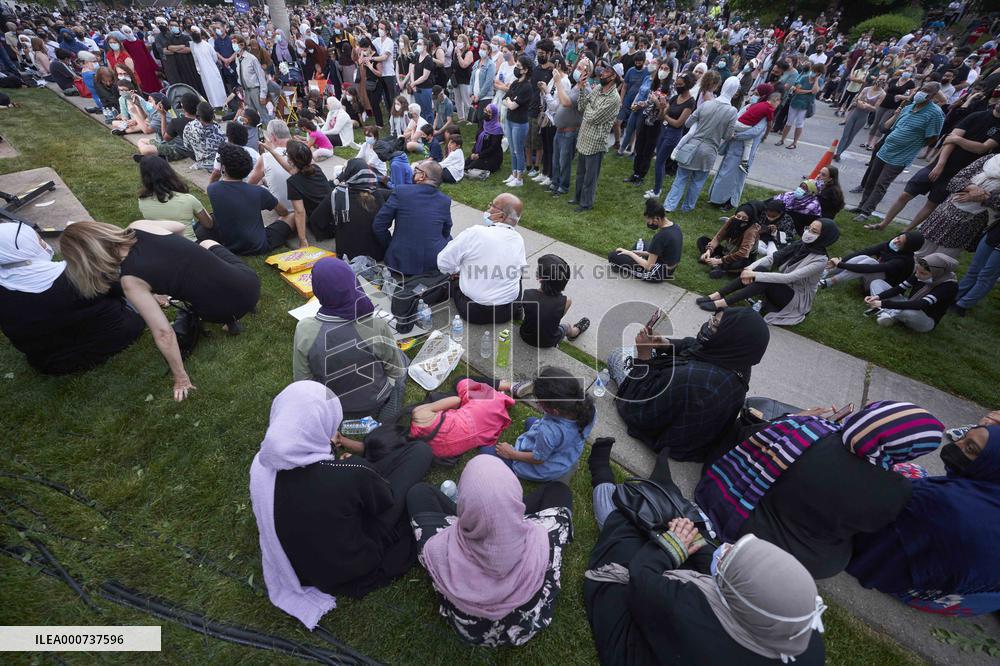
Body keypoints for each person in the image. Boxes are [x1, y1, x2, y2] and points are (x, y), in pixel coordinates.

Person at [584, 454, 827, 663]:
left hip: (637, 638)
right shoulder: (801, 635)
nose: (727, 548)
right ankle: (662, 494)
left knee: (625, 529)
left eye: (728, 558)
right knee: (684, 526)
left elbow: (641, 578)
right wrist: (691, 538)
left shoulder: (688, 612)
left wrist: (672, 546)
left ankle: (603, 477)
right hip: (680, 640)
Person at [250, 381, 433, 624]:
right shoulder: (348, 473)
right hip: (354, 562)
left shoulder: (261, 465)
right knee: (420, 454)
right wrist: (361, 468)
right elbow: (383, 502)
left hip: (303, 564)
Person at [696, 402, 944, 579]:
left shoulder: (807, 429)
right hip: (798, 554)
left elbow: (753, 443)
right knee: (838, 556)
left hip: (743, 511)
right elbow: (860, 528)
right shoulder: (895, 491)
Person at [60, 220, 260, 401]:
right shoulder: (139, 226)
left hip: (216, 312)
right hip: (249, 287)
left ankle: (229, 319)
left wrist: (181, 378)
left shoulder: (130, 281)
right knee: (205, 244)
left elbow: (164, 333)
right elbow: (180, 227)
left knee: (201, 287)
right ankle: (233, 318)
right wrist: (182, 256)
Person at [405, 455, 573, 646]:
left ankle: (485, 510)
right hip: (525, 624)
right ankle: (500, 508)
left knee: (419, 492)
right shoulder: (547, 539)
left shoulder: (436, 550)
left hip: (469, 630)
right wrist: (503, 508)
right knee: (558, 490)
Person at [849, 424, 1000, 616]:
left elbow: (869, 537)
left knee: (904, 473)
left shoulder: (935, 500)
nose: (957, 445)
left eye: (970, 448)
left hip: (913, 587)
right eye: (962, 438)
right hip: (968, 599)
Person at [609, 308, 770, 464]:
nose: (708, 326)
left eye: (714, 326)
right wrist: (665, 344)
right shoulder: (736, 359)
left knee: (618, 354)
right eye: (712, 320)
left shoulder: (692, 379)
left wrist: (644, 356)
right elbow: (694, 346)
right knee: (641, 353)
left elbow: (638, 406)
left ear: (729, 337)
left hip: (674, 440)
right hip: (700, 430)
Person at [0, 223, 144, 375]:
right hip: (116, 336)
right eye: (38, 241)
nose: (44, 243)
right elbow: (121, 290)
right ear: (24, 248)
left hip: (52, 364)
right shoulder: (78, 272)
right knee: (126, 284)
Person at [293, 258, 407, 421]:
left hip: (332, 405)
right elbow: (396, 370)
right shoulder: (376, 325)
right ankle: (391, 406)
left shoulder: (305, 329)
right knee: (402, 359)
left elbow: (303, 381)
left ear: (318, 290)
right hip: (376, 400)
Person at [869, 103, 1000, 231]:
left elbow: (981, 149)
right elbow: (949, 141)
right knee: (906, 194)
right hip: (937, 165)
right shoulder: (977, 116)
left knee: (932, 204)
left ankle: (906, 231)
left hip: (959, 174)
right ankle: (884, 224)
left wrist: (958, 140)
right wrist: (940, 164)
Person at [700, 218, 841, 326]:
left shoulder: (820, 260)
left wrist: (754, 274)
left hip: (795, 299)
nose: (808, 233)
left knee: (765, 279)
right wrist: (749, 268)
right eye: (809, 228)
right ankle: (717, 295)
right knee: (760, 269)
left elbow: (789, 278)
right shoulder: (801, 245)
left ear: (825, 237)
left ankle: (723, 303)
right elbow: (772, 257)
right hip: (784, 288)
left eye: (814, 231)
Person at [852, 83, 945, 223]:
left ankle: (866, 212)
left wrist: (913, 144)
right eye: (922, 89)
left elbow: (932, 137)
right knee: (871, 180)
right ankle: (861, 206)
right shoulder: (908, 107)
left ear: (933, 95)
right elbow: (893, 128)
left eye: (927, 91)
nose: (922, 92)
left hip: (901, 156)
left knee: (881, 183)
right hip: (885, 150)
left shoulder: (935, 113)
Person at [487, 367, 596, 482]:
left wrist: (511, 453)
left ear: (555, 411)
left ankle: (517, 467)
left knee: (487, 451)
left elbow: (538, 459)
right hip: (565, 454)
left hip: (543, 467)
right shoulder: (588, 408)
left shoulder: (549, 431)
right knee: (531, 421)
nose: (537, 403)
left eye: (538, 402)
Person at [437, 193, 526, 324]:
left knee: (452, 280)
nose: (488, 208)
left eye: (492, 205)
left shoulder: (475, 233)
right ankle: (518, 310)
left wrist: (457, 272)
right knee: (518, 274)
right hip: (507, 311)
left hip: (473, 311)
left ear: (501, 216)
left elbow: (443, 263)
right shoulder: (518, 239)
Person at [665, 76, 738, 214]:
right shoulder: (732, 111)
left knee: (680, 179)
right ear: (734, 92)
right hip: (709, 151)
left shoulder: (706, 104)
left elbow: (688, 123)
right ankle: (687, 207)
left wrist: (699, 124)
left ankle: (669, 205)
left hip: (692, 146)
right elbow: (727, 136)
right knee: (697, 182)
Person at [202, 143, 293, 254]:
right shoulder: (258, 192)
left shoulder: (212, 189)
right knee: (292, 215)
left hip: (229, 245)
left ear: (224, 168)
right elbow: (283, 212)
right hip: (259, 245)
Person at [907, 154, 1000, 257]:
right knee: (919, 251)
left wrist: (983, 197)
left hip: (969, 224)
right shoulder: (990, 159)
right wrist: (972, 188)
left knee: (941, 260)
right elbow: (956, 180)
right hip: (945, 214)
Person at [373, 159, 453, 277]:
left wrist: (391, 245)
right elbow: (446, 230)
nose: (413, 173)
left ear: (422, 176)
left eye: (416, 170)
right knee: (449, 238)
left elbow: (379, 225)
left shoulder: (401, 191)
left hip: (400, 263)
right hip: (433, 264)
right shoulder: (445, 200)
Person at [707, 88, 780, 209]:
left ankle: (728, 201)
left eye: (757, 94)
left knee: (735, 177)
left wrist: (735, 135)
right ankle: (716, 197)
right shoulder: (750, 107)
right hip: (734, 148)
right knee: (724, 173)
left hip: (743, 153)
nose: (753, 95)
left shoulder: (763, 114)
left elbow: (754, 132)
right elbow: (736, 120)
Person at [409, 379, 516, 461]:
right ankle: (504, 386)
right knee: (460, 381)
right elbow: (456, 400)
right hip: (487, 404)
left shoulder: (433, 452)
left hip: (491, 426)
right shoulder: (419, 414)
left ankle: (500, 392)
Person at [308, 158, 386, 260]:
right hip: (376, 253)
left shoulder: (337, 195)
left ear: (349, 173)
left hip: (347, 255)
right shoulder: (377, 194)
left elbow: (316, 220)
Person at [571, 60, 621, 212]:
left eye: (606, 72)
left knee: (590, 177)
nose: (602, 73)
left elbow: (594, 117)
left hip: (596, 142)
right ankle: (578, 197)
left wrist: (590, 109)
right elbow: (582, 106)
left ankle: (586, 204)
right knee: (580, 173)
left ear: (613, 77)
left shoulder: (614, 99)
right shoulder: (598, 88)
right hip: (585, 136)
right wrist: (581, 88)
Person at [865, 254, 959, 332]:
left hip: (924, 317)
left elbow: (921, 304)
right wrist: (878, 297)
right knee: (877, 283)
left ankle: (885, 312)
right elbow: (899, 289)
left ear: (937, 273)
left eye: (923, 273)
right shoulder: (920, 271)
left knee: (909, 312)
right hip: (910, 302)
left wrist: (883, 303)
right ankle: (887, 314)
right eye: (917, 270)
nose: (917, 274)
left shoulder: (949, 286)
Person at [518, 254, 590, 347]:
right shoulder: (566, 301)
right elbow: (554, 319)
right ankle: (575, 332)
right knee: (567, 326)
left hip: (525, 336)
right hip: (549, 341)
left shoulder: (528, 294)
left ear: (539, 278)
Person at [271, 140, 332, 249]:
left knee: (288, 216)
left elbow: (299, 212)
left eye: (286, 154)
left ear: (291, 160)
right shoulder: (315, 169)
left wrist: (302, 240)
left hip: (322, 226)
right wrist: (271, 150)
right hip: (334, 218)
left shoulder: (293, 182)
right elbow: (289, 168)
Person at [136, 156, 212, 241]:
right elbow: (208, 224)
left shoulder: (142, 201)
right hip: (190, 246)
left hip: (161, 245)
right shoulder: (188, 199)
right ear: (168, 172)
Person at [646, 72, 696, 200]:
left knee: (659, 161)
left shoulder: (690, 102)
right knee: (659, 161)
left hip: (673, 135)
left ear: (687, 85)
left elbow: (679, 123)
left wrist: (665, 116)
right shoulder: (674, 98)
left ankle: (657, 191)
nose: (677, 86)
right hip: (664, 131)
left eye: (680, 84)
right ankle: (657, 188)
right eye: (676, 84)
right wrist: (662, 107)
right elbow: (660, 116)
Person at [608, 198, 683, 281]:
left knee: (614, 255)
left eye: (648, 220)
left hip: (657, 273)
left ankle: (623, 267)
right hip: (668, 268)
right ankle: (632, 260)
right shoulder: (675, 227)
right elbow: (665, 252)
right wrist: (641, 253)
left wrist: (630, 253)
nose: (648, 222)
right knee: (641, 242)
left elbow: (649, 266)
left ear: (657, 218)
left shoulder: (660, 236)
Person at [822, 231, 925, 291]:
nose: (896, 241)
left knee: (870, 262)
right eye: (898, 237)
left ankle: (828, 282)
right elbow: (866, 251)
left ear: (907, 248)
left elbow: (871, 268)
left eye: (900, 242)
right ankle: (824, 273)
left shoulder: (903, 261)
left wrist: (841, 264)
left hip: (881, 288)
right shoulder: (890, 245)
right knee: (863, 257)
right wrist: (840, 262)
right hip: (873, 276)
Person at [547, 60, 587, 196]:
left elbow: (565, 102)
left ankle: (563, 187)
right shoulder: (576, 86)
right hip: (560, 130)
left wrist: (557, 81)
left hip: (569, 132)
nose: (577, 69)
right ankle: (555, 183)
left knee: (564, 161)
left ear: (586, 72)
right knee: (556, 159)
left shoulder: (584, 89)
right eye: (578, 66)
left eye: (580, 68)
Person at [696, 203, 761, 279]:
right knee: (702, 240)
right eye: (738, 216)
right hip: (727, 252)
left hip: (742, 258)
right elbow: (718, 237)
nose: (739, 219)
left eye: (744, 218)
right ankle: (715, 263)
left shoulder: (751, 230)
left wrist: (720, 260)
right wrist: (709, 251)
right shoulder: (733, 219)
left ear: (750, 219)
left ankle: (717, 264)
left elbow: (743, 253)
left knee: (738, 263)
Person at [136, 91, 198, 163]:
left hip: (178, 150)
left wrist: (163, 115)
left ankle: (154, 157)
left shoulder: (175, 121)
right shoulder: (202, 119)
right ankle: (156, 156)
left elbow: (162, 137)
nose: (149, 103)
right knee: (143, 141)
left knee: (145, 149)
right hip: (178, 147)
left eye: (150, 101)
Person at [953, 220, 1000, 316]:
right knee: (974, 270)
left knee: (986, 276)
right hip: (995, 234)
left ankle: (962, 305)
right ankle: (954, 297)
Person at [834, 76, 886, 161]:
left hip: (863, 116)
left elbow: (875, 108)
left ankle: (840, 152)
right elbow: (856, 99)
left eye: (884, 80)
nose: (881, 81)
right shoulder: (866, 89)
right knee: (845, 134)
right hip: (854, 113)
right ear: (876, 79)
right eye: (880, 79)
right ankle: (838, 152)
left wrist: (866, 105)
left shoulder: (882, 94)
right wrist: (860, 102)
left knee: (851, 136)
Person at [775, 62, 823, 150]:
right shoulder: (804, 78)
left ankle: (794, 143)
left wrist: (816, 80)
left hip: (806, 105)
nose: (813, 73)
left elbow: (815, 91)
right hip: (796, 102)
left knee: (800, 124)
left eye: (816, 72)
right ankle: (782, 140)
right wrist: (809, 91)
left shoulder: (820, 80)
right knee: (789, 122)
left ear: (819, 73)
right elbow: (797, 90)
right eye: (813, 70)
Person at [502, 56, 534, 188]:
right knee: (512, 149)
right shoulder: (515, 83)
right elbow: (505, 100)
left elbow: (512, 105)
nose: (516, 68)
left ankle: (519, 178)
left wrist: (510, 101)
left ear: (525, 70)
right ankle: (514, 173)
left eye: (519, 67)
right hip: (510, 120)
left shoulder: (527, 87)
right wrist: (511, 101)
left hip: (519, 123)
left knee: (518, 150)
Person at [232, 34, 271, 125]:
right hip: (246, 90)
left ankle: (271, 129)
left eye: (235, 43)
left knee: (263, 112)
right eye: (232, 43)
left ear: (241, 45)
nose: (233, 45)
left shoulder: (251, 59)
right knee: (250, 115)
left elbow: (261, 76)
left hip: (255, 89)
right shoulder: (237, 58)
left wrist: (263, 94)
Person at [188, 26, 225, 108]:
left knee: (218, 87)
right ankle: (214, 107)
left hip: (212, 69)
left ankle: (223, 105)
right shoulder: (193, 46)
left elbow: (214, 57)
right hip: (203, 73)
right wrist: (199, 70)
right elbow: (195, 60)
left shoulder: (207, 44)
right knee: (209, 89)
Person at [182, 101, 225, 171]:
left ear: (197, 115)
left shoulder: (188, 127)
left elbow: (187, 147)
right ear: (213, 115)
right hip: (216, 166)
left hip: (200, 164)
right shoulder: (219, 132)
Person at [465, 103, 504, 176]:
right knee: (466, 162)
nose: (486, 113)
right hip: (480, 153)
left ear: (494, 115)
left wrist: (479, 155)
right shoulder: (484, 123)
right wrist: (474, 152)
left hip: (492, 157)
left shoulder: (497, 129)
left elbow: (493, 148)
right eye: (485, 110)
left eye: (489, 112)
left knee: (471, 166)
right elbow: (477, 140)